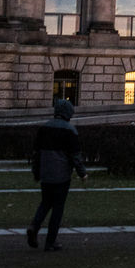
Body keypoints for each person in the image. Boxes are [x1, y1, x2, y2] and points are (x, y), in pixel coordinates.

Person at [28, 99, 85, 250]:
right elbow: (75, 156)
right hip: (62, 175)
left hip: (46, 173)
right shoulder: (70, 130)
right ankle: (50, 242)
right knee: (58, 208)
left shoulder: (44, 128)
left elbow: (36, 153)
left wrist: (36, 172)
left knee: (45, 202)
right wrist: (82, 173)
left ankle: (34, 226)